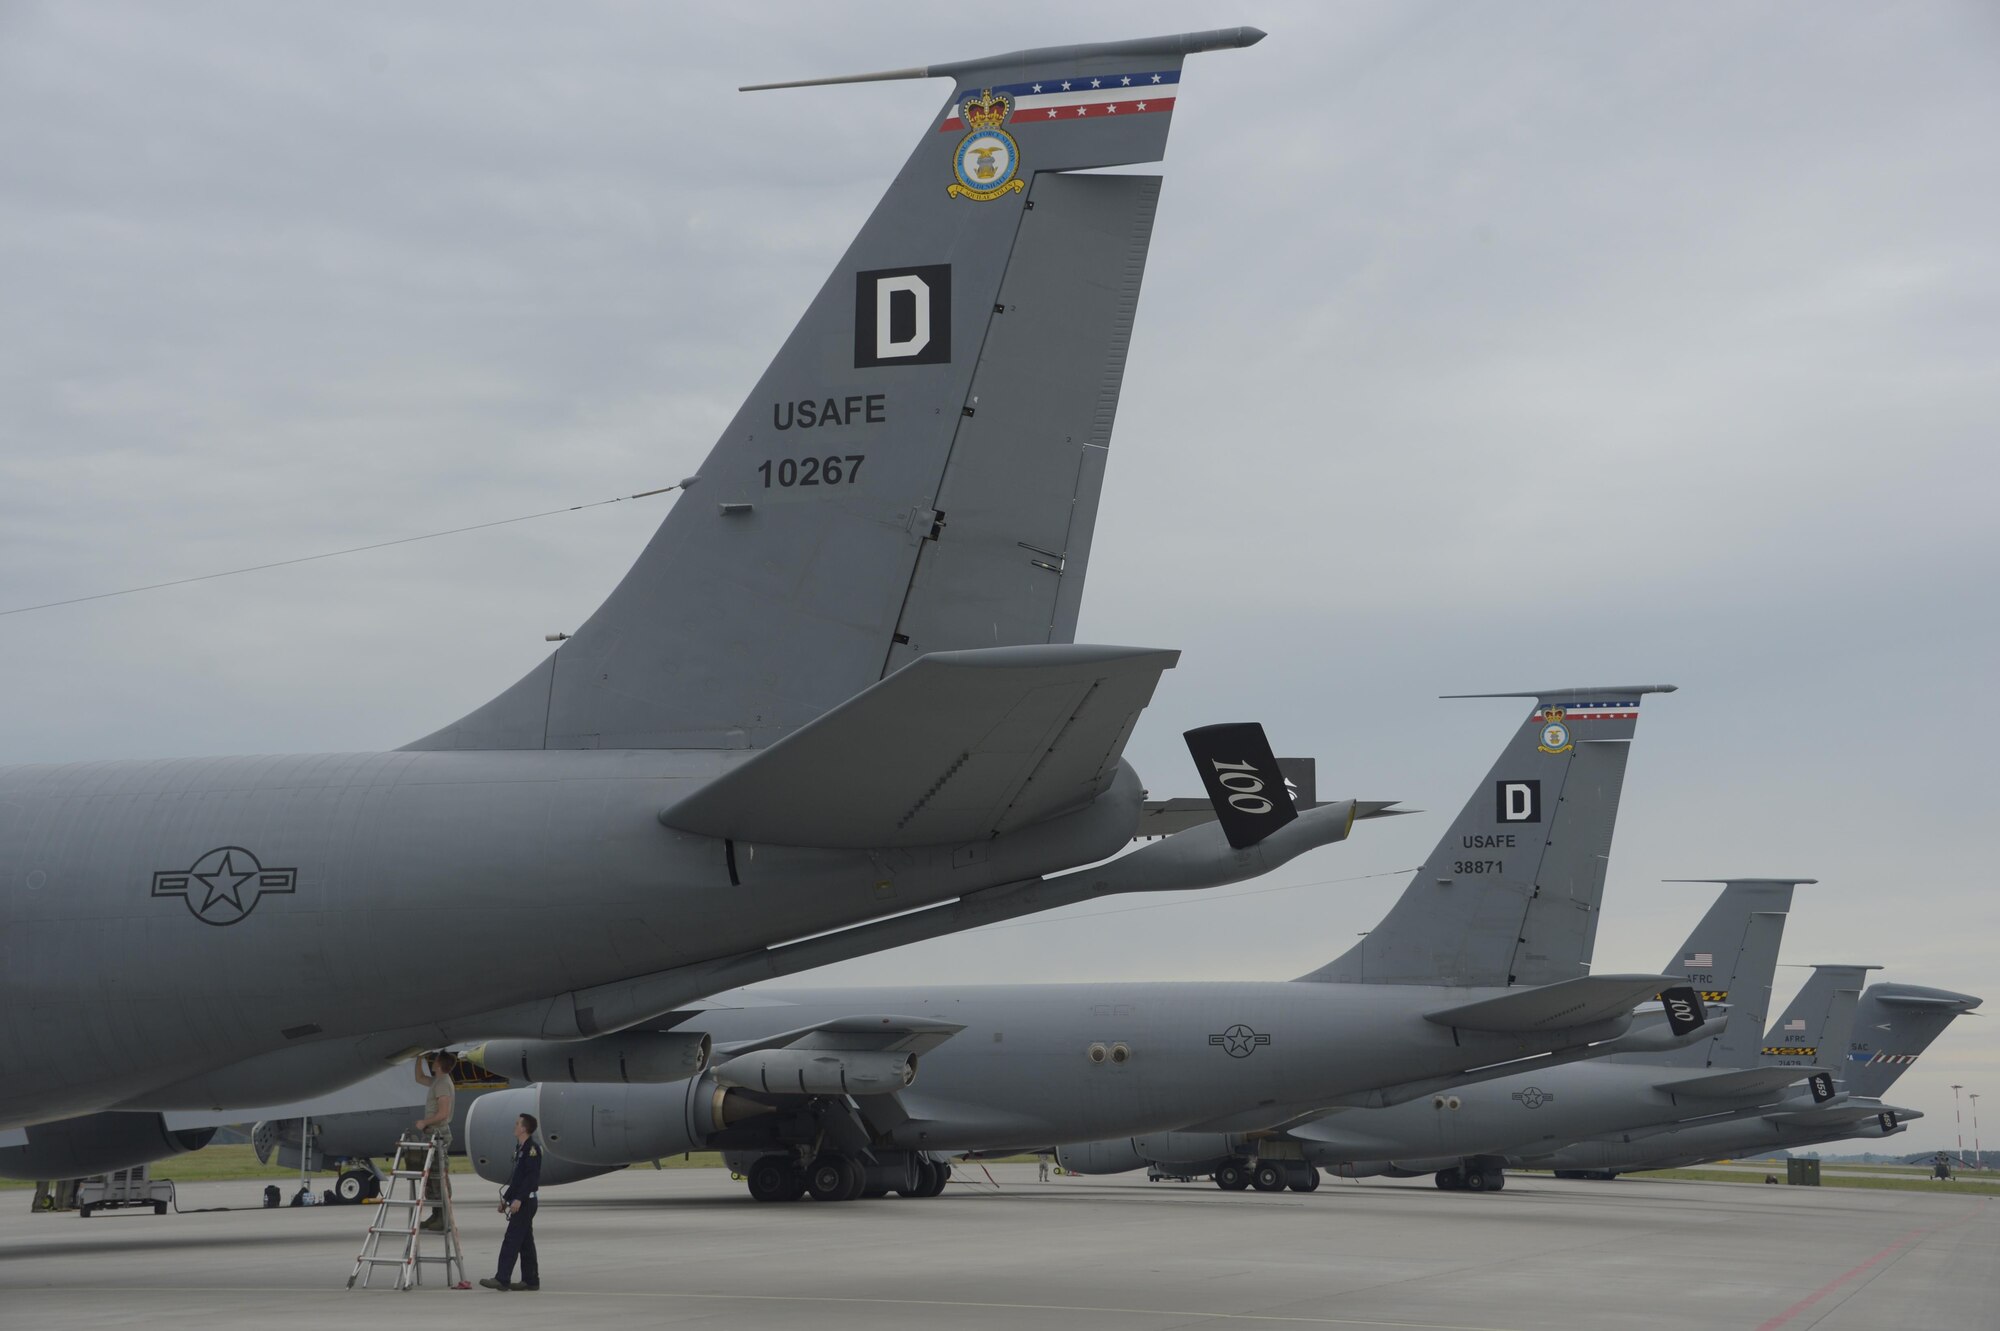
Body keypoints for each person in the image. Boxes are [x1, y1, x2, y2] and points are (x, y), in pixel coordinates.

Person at [481, 1113, 542, 1292]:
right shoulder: (522, 1148)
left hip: (526, 1203)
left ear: (524, 1128)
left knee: (512, 1240)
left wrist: (518, 1200)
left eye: (517, 1124)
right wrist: (507, 1200)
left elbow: (531, 1179)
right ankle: (531, 1280)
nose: (514, 1127)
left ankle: (502, 1278)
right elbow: (517, 1179)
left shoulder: (532, 1149)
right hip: (522, 1201)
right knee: (525, 1242)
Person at [412, 1051, 456, 1231]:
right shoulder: (438, 1081)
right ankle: (436, 1215)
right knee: (431, 1177)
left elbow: (443, 1114)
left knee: (439, 1176)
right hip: (432, 1133)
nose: (433, 1061)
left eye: (434, 1059)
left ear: (439, 1064)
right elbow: (419, 1078)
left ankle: (443, 1217)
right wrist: (418, 1057)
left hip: (438, 1133)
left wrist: (425, 1122)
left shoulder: (443, 1084)